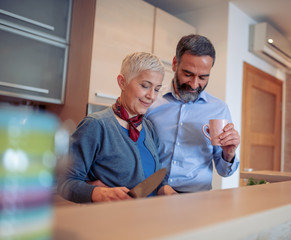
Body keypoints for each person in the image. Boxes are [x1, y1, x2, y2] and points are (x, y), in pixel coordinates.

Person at [58, 52, 177, 203]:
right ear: (122, 82)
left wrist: (170, 193)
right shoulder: (96, 125)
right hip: (111, 222)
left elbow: (154, 180)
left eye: (157, 89)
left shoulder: (149, 128)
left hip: (146, 221)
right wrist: (100, 193)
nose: (152, 96)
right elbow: (65, 183)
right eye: (145, 86)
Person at [146, 34, 240, 193]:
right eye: (188, 74)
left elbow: (224, 171)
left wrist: (229, 153)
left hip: (197, 201)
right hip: (153, 195)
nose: (194, 84)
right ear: (175, 64)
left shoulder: (219, 109)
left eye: (203, 77)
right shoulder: (150, 101)